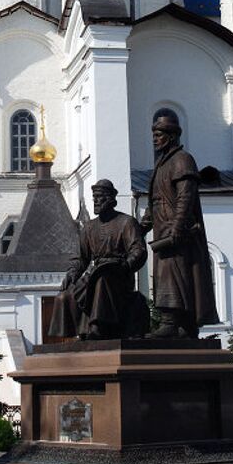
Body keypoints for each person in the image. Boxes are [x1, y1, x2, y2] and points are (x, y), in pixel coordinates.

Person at [141, 111, 218, 338]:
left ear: (173, 135)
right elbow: (156, 200)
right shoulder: (162, 164)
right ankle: (182, 325)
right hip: (163, 228)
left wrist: (178, 226)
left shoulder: (182, 159)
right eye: (154, 134)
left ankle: (171, 322)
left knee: (175, 273)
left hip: (177, 232)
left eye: (160, 134)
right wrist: (142, 226)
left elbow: (186, 196)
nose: (155, 138)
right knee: (168, 273)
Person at [49, 179, 149, 340]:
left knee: (103, 280)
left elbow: (138, 251)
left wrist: (125, 265)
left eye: (100, 196)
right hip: (95, 273)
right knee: (65, 296)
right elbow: (81, 258)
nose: (95, 200)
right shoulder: (89, 227)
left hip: (118, 275)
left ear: (110, 199)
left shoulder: (126, 222)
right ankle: (67, 337)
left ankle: (98, 327)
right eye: (94, 197)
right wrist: (72, 273)